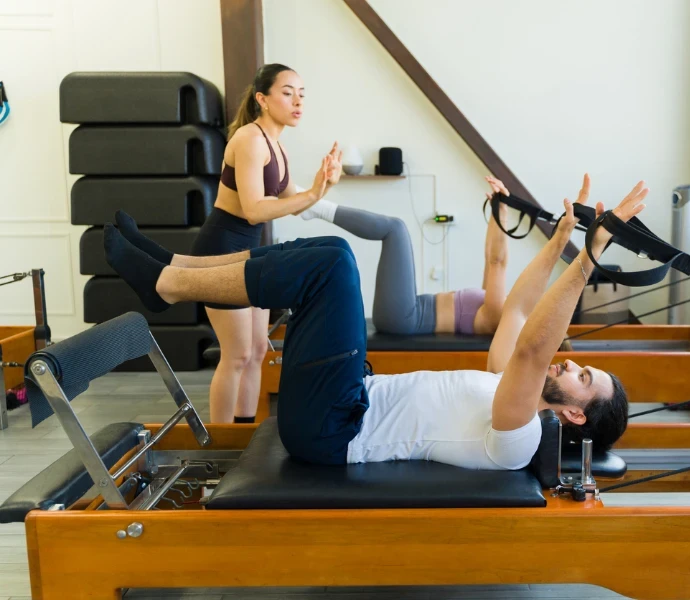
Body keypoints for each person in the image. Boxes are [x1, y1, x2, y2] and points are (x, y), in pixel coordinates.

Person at [103, 177, 649, 469]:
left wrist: (589, 259)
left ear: (575, 415)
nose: (573, 363)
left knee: (334, 262)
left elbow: (533, 349)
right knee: (322, 250)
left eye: (583, 377)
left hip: (334, 427)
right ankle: (175, 271)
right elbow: (522, 312)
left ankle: (167, 286)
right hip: (344, 398)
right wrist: (559, 243)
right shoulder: (503, 387)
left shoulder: (519, 438)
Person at [113, 63, 342, 425]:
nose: (297, 100)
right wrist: (314, 192)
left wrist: (324, 185)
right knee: (235, 355)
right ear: (262, 99)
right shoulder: (249, 140)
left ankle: (242, 437)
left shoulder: (277, 147)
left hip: (247, 252)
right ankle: (218, 444)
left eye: (301, 94)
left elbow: (293, 201)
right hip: (222, 245)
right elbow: (254, 210)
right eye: (287, 92)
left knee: (254, 353)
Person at [299, 175, 516, 336]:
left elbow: (498, 262)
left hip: (405, 318)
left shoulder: (497, 317)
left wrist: (504, 213)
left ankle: (316, 208)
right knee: (396, 229)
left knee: (395, 229)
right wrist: (499, 212)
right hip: (408, 311)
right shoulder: (496, 304)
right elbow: (491, 259)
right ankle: (314, 207)